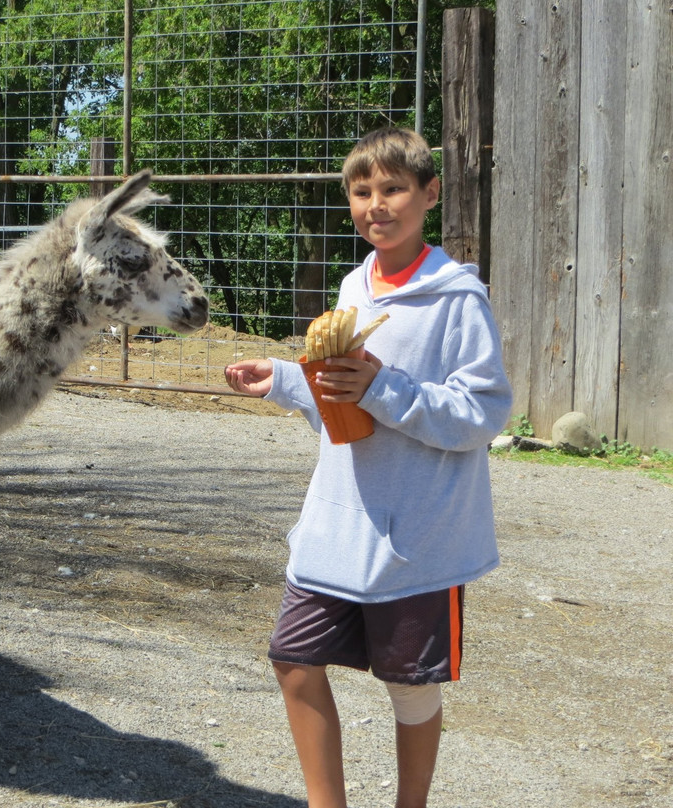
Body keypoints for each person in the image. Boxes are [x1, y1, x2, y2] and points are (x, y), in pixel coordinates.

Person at [225, 127, 512, 808]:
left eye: (393, 189)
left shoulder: (459, 300)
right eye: (362, 191)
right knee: (294, 659)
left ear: (429, 194)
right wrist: (288, 379)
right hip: (338, 524)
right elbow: (341, 413)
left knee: (409, 687)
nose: (376, 204)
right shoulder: (354, 285)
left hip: (417, 537)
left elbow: (482, 414)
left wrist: (385, 388)